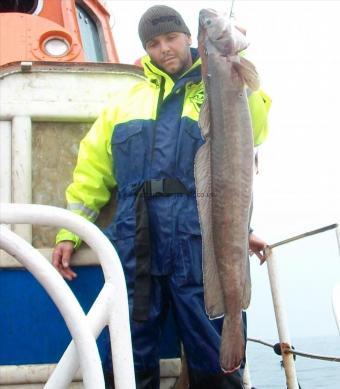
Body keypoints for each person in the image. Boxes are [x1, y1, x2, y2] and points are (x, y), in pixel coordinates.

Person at [52, 5, 271, 389]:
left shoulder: (219, 83)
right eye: (153, 43)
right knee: (128, 355)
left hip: (198, 242)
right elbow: (91, 173)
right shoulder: (122, 104)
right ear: (146, 50)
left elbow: (247, 139)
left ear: (190, 38)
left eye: (171, 38)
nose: (164, 48)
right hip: (136, 243)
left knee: (213, 349)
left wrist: (237, 58)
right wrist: (68, 232)